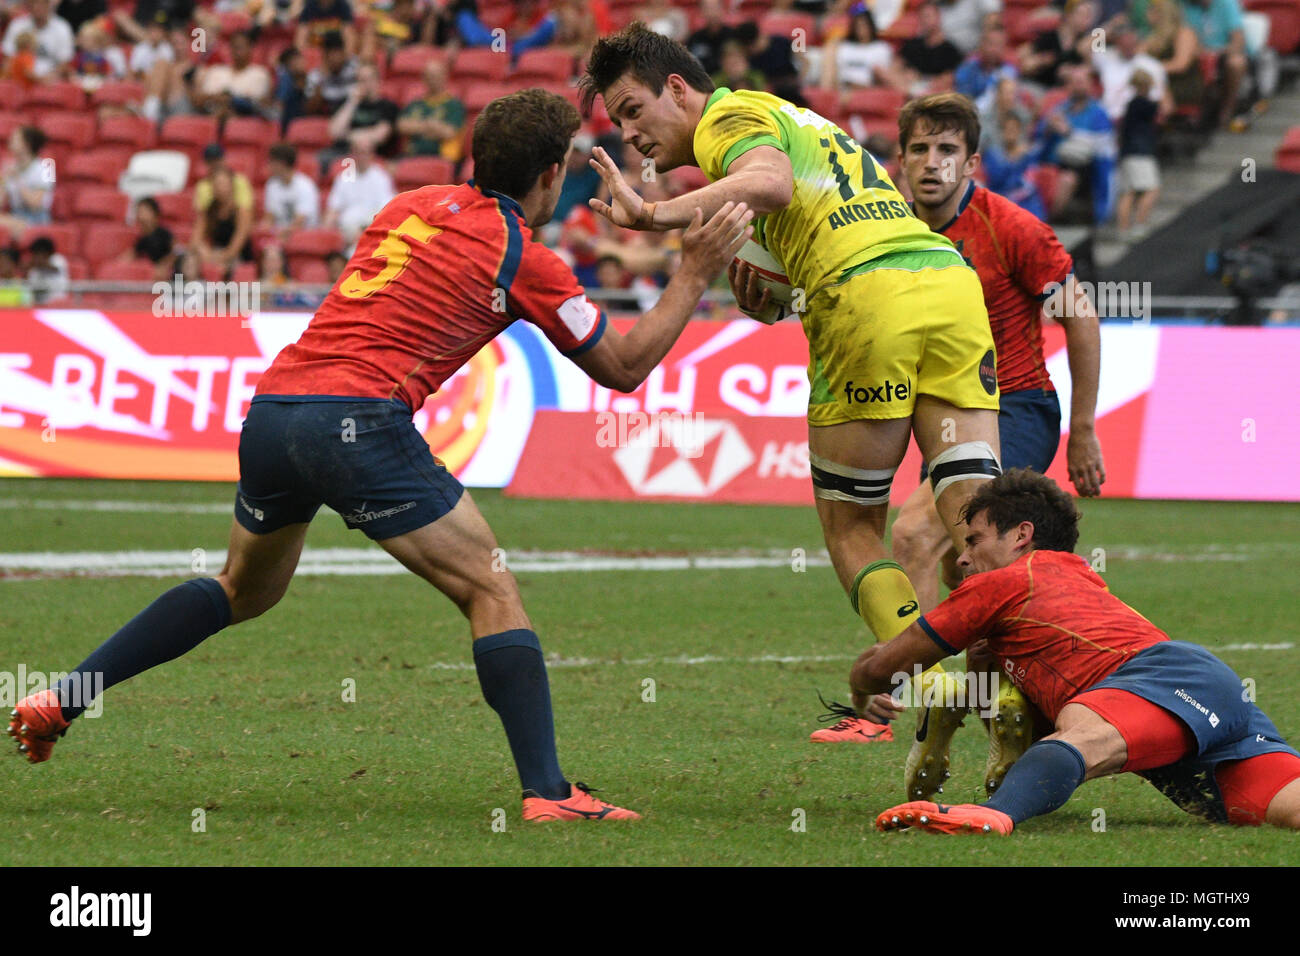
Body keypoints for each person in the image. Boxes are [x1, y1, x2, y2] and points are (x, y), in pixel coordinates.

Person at [9, 88, 755, 825]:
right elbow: (622, 367)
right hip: (358, 419)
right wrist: (692, 273)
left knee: (243, 588)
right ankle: (551, 794)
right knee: (491, 591)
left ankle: (62, 697)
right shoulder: (522, 252)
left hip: (275, 409)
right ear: (552, 176)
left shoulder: (409, 205)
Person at [580, 24, 1005, 799]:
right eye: (618, 124)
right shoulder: (800, 121)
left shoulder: (730, 120)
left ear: (680, 88)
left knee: (851, 528)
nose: (632, 134)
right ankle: (1013, 691)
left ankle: (934, 678)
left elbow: (770, 184)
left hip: (868, 298)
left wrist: (654, 215)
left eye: (634, 111)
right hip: (946, 282)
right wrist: (775, 295)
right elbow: (800, 218)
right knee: (979, 515)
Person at [813, 94, 1104, 796]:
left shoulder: (1012, 228)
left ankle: (901, 701)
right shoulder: (885, 225)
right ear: (902, 160)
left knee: (915, 533)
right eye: (920, 150)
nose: (933, 164)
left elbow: (1082, 316)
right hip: (931, 406)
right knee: (970, 576)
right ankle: (1003, 709)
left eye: (948, 151)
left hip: (1013, 404)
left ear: (971, 162)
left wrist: (1085, 429)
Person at [856, 469, 1300, 834]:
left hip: (1163, 681)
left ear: (1021, 536)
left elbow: (885, 667)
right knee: (1287, 811)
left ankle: (996, 814)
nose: (963, 559)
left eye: (974, 541)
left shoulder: (1003, 583)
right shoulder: (1075, 581)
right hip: (1199, 697)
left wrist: (861, 685)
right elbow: (997, 705)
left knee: (1080, 735)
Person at [1114, 70, 1161, 239]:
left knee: (1129, 191)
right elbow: (1167, 108)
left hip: (1128, 151)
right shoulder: (1142, 103)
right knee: (1152, 189)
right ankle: (1139, 225)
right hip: (1140, 152)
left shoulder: (1131, 104)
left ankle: (1123, 228)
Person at [397, 59, 466, 161]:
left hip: (440, 158)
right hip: (412, 155)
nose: (432, 80)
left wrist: (416, 127)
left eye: (436, 76)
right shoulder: (416, 103)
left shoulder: (454, 104)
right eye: (429, 76)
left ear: (445, 77)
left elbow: (449, 132)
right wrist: (430, 126)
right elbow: (401, 126)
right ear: (423, 79)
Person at [0, 126, 54, 240]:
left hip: (36, 219)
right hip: (15, 215)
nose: (10, 141)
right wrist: (3, 180)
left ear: (27, 144)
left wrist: (18, 179)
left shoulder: (46, 167)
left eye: (15, 139)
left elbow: (35, 204)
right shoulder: (11, 167)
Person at [0, 0, 75, 80]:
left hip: (52, 82)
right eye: (34, 3)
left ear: (49, 4)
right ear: (29, 5)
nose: (37, 7)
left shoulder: (62, 27)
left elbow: (65, 60)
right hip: (21, 80)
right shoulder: (17, 25)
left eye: (42, 3)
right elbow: (8, 57)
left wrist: (49, 77)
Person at [262, 143, 321, 236]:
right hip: (279, 235)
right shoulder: (271, 185)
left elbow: (300, 223)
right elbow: (270, 218)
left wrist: (278, 236)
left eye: (271, 162)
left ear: (281, 163)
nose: (268, 166)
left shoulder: (305, 186)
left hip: (303, 236)